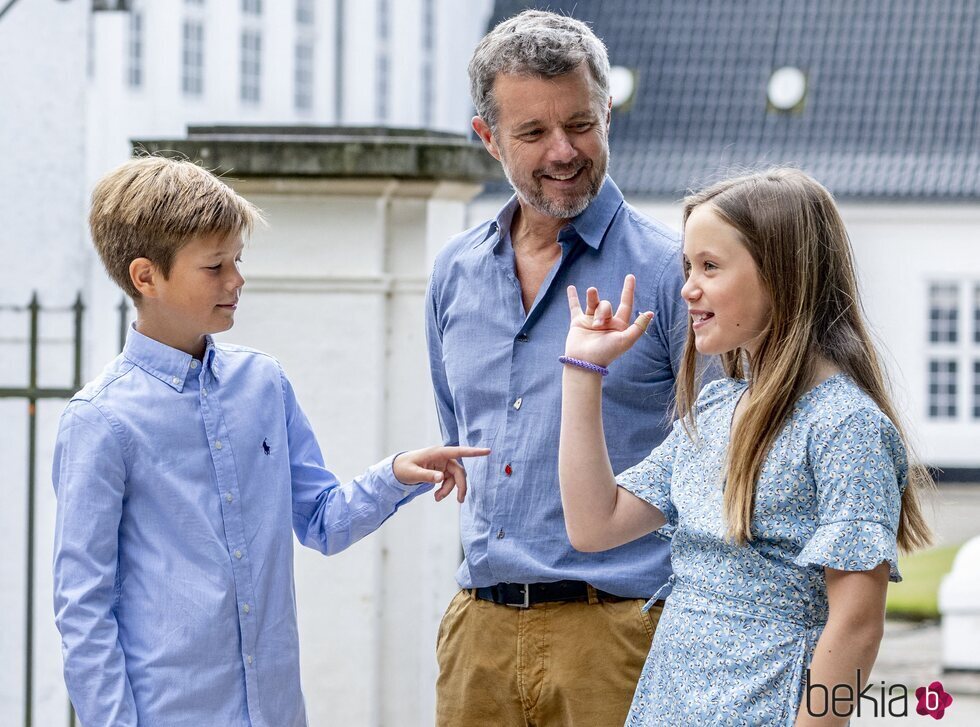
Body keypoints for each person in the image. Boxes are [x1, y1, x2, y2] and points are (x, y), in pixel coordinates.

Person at [52, 155, 488, 727]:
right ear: (145, 277)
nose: (237, 280)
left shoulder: (264, 385)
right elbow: (83, 609)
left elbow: (322, 521)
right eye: (215, 267)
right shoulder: (100, 421)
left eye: (238, 260)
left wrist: (396, 473)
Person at [558, 168, 934, 726]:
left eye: (710, 267)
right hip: (671, 706)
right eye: (688, 267)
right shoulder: (715, 412)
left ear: (782, 274)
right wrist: (583, 371)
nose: (688, 287)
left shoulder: (846, 426)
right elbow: (594, 524)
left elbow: (857, 624)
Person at [426, 10, 690, 726]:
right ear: (487, 138)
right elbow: (461, 431)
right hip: (477, 636)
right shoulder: (453, 274)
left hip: (622, 634)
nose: (564, 151)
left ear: (608, 110)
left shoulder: (673, 273)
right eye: (533, 133)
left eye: (580, 123)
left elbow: (720, 459)